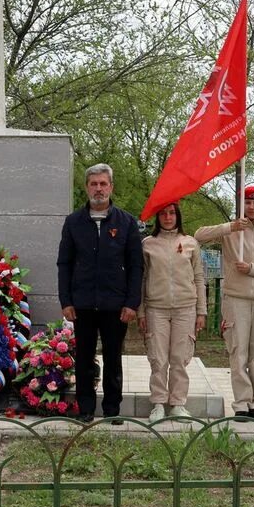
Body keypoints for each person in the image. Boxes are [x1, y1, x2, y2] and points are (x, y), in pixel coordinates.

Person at [57, 163, 143, 423]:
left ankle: (112, 410)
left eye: (103, 184)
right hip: (82, 303)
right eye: (93, 184)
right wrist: (66, 300)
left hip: (115, 305)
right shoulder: (73, 222)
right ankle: (85, 409)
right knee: (83, 358)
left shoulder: (126, 222)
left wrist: (131, 303)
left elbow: (136, 265)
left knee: (114, 358)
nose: (98, 189)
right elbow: (64, 263)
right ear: (86, 188)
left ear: (111, 187)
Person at [195, 185, 254, 421]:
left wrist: (253, 269)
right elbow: (198, 236)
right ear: (241, 205)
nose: (252, 207)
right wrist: (230, 226)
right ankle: (241, 404)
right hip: (236, 300)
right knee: (238, 353)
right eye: (248, 203)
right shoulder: (232, 231)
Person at [139, 202, 207, 422]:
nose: (167, 217)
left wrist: (201, 311)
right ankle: (158, 403)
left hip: (185, 309)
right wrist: (141, 312)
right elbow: (141, 280)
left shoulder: (190, 244)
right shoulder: (148, 244)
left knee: (180, 358)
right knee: (158, 359)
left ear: (178, 216)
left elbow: (198, 278)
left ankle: (178, 403)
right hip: (155, 309)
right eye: (162, 214)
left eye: (171, 213)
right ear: (157, 218)